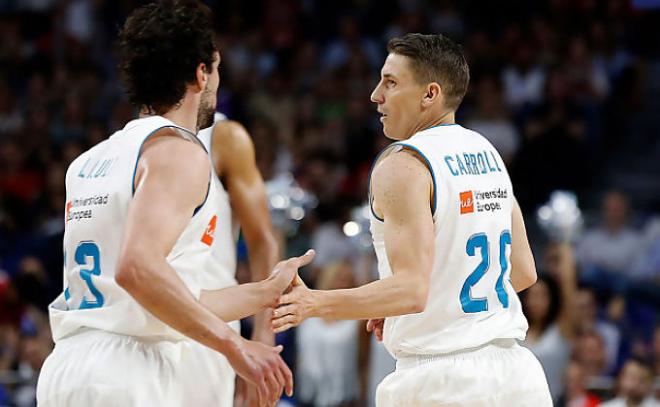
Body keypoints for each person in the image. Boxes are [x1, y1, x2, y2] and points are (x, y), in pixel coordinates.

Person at [36, 2, 314, 406]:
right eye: (216, 71)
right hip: (132, 370)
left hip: (68, 366)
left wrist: (263, 293)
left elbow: (151, 292)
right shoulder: (180, 152)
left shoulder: (88, 161)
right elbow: (137, 269)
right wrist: (235, 349)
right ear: (201, 74)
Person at [271, 33, 551, 406]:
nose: (376, 95)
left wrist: (313, 303)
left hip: (444, 381)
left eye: (391, 82)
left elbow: (409, 290)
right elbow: (523, 272)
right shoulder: (488, 153)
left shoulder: (404, 164)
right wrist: (426, 309)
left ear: (429, 94)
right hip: (518, 376)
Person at [180, 110, 281, 407]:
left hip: (208, 332)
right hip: (142, 326)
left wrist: (263, 334)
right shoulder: (130, 142)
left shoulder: (223, 138)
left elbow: (262, 242)